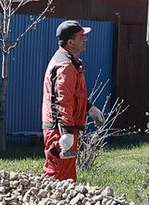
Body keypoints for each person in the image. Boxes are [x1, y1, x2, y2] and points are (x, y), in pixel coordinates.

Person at [42, 20, 105, 181]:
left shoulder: (72, 62)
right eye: (81, 36)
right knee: (57, 175)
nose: (85, 39)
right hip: (60, 130)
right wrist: (67, 133)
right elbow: (61, 101)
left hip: (65, 127)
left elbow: (74, 95)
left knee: (67, 176)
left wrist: (90, 109)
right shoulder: (65, 66)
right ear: (70, 42)